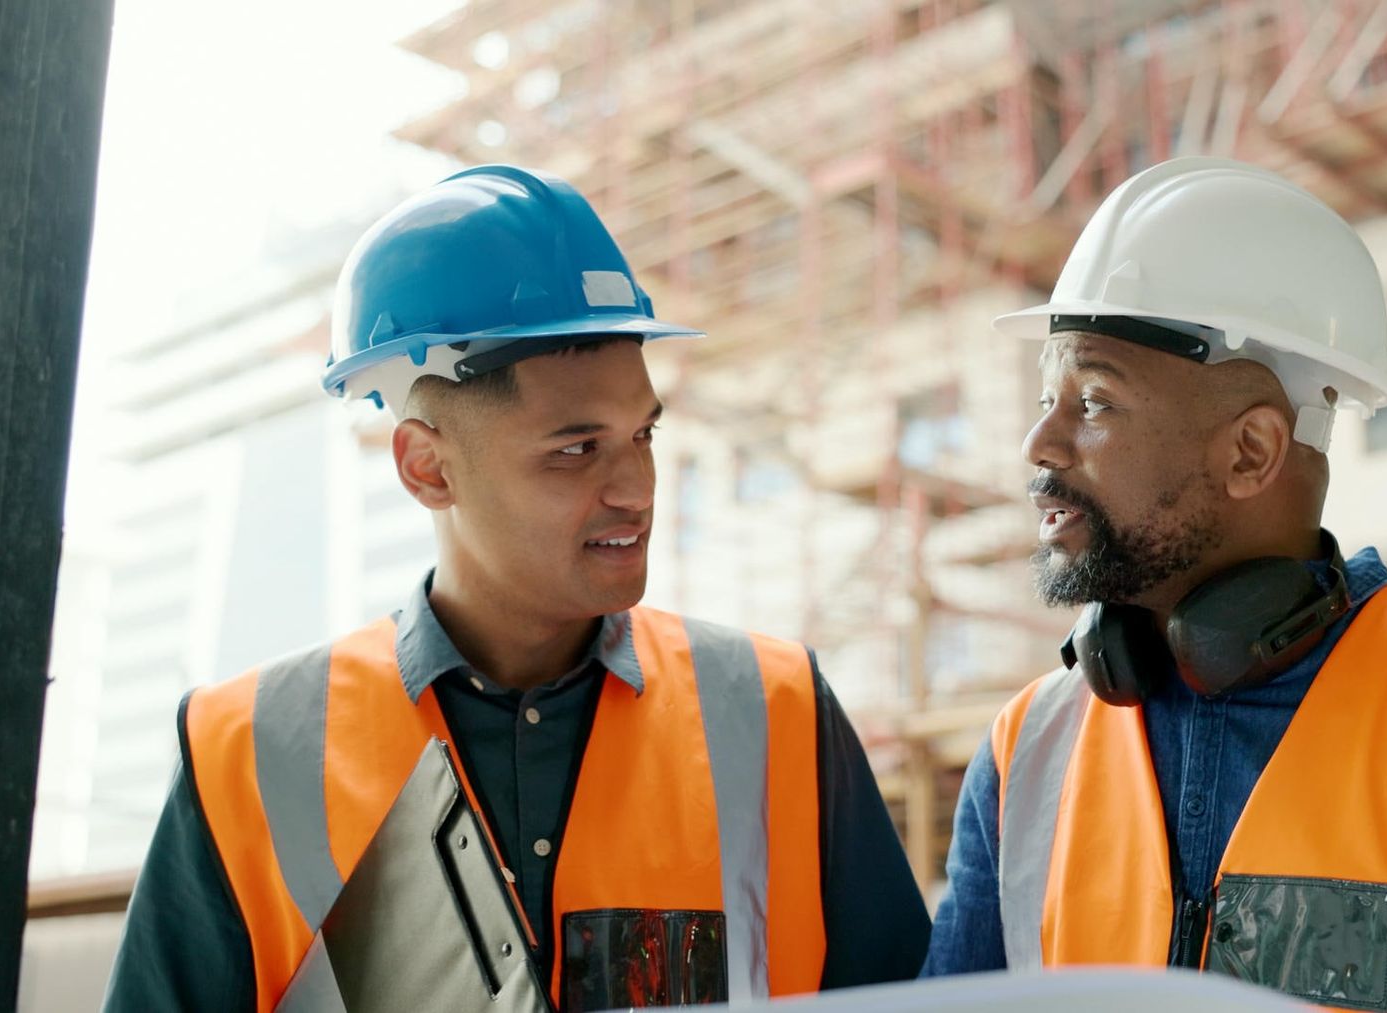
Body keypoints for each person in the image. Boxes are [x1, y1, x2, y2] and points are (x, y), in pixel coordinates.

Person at [103, 165, 930, 1012]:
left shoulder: (776, 710)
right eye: (576, 449)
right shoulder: (247, 749)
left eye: (642, 433)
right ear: (428, 467)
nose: (636, 487)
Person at [922, 157, 1387, 1011]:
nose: (1039, 444)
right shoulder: (1024, 758)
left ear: (1251, 451)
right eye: (1045, 396)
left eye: (1093, 401)